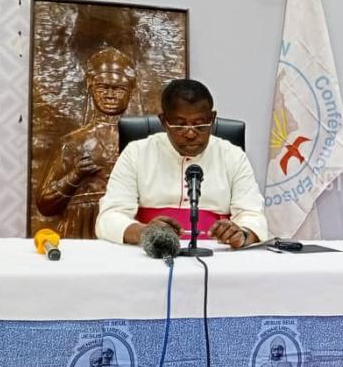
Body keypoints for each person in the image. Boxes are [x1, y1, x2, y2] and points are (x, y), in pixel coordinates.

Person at [96, 79, 267, 248]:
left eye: (200, 125)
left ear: (213, 118)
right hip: (150, 255)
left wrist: (242, 234)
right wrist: (143, 232)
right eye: (180, 126)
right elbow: (110, 216)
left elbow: (252, 215)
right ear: (163, 121)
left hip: (217, 255)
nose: (191, 134)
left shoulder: (233, 156)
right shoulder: (137, 153)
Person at [37, 46, 136, 238]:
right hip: (82, 225)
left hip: (127, 224)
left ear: (130, 91)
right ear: (91, 88)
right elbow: (44, 203)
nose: (109, 95)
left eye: (118, 89)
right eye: (103, 88)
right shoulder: (74, 142)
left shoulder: (142, 142)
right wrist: (75, 175)